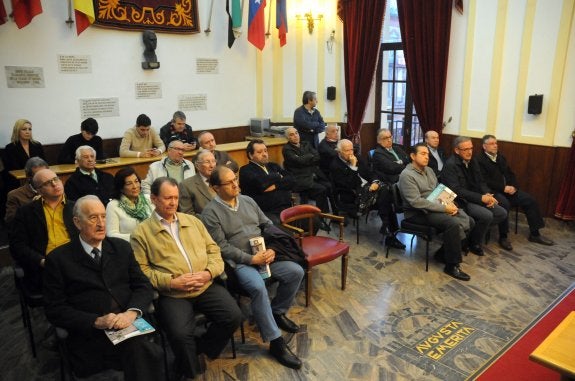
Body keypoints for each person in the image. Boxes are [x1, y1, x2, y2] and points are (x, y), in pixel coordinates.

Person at [43, 195, 164, 381]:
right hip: (90, 333)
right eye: (93, 218)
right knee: (144, 354)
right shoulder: (58, 259)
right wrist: (96, 321)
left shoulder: (121, 248)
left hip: (127, 325)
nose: (101, 224)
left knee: (141, 351)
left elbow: (143, 286)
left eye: (103, 216)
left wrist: (131, 313)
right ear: (77, 222)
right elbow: (55, 309)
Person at [131, 177, 242, 380]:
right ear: (154, 199)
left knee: (234, 316)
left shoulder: (192, 221)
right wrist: (171, 282)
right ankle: (190, 372)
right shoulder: (142, 233)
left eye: (176, 197)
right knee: (180, 335)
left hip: (205, 284)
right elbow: (142, 271)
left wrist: (208, 273)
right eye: (167, 198)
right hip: (173, 293)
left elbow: (214, 251)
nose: (173, 202)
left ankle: (199, 348)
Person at [201, 166, 304, 370]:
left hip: (264, 254)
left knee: (295, 271)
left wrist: (273, 249)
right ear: (215, 188)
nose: (235, 184)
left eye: (235, 179)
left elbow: (267, 224)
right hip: (240, 262)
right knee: (257, 287)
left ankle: (277, 311)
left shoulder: (247, 200)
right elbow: (222, 247)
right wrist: (251, 259)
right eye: (228, 182)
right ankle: (275, 342)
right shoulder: (210, 213)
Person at [398, 143, 473, 281]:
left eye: (427, 154)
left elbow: (438, 190)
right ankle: (452, 265)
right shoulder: (407, 175)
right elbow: (416, 202)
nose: (427, 157)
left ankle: (442, 253)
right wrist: (444, 208)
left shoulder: (430, 170)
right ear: (413, 156)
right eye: (423, 154)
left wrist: (450, 203)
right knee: (453, 224)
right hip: (417, 213)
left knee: (470, 220)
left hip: (434, 207)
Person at [477, 135, 554, 246]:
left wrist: (514, 186)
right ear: (484, 146)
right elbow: (485, 181)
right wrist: (503, 188)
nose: (495, 146)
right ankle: (503, 237)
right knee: (505, 205)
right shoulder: (479, 160)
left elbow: (510, 174)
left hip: (509, 190)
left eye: (496, 143)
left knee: (530, 200)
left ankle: (535, 234)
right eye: (492, 144)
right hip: (494, 191)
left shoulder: (500, 157)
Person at [10, 168, 77, 293]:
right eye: (47, 183)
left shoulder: (76, 207)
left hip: (75, 262)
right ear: (39, 190)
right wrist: (41, 261)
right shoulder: (26, 212)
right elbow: (17, 246)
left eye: (55, 179)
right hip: (45, 265)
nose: (54, 184)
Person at [330, 139, 405, 249]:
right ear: (339, 152)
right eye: (347, 151)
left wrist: (374, 182)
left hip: (368, 191)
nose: (351, 153)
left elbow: (370, 173)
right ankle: (391, 232)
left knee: (385, 194)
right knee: (386, 194)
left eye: (352, 149)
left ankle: (388, 229)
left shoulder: (358, 157)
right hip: (354, 196)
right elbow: (349, 185)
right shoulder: (335, 165)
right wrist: (353, 166)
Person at [442, 136, 510, 254]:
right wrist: (481, 198)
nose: (469, 152)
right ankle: (475, 243)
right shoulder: (450, 165)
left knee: (501, 213)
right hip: (462, 200)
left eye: (471, 148)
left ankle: (470, 237)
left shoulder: (473, 160)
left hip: (476, 196)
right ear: (457, 150)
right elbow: (457, 190)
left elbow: (481, 181)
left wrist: (487, 193)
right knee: (486, 215)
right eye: (465, 149)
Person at [238, 139, 295, 225]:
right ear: (250, 155)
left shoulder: (273, 166)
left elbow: (291, 180)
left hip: (286, 207)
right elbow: (261, 183)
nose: (264, 154)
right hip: (265, 211)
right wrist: (278, 176)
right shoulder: (245, 170)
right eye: (259, 152)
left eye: (265, 151)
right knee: (277, 227)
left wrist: (275, 186)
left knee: (313, 220)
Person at [282, 127, 331, 214]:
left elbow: (317, 157)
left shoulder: (306, 143)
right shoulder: (287, 149)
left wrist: (303, 158)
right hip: (300, 178)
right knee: (322, 189)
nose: (295, 136)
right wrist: (309, 156)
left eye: (296, 133)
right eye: (291, 135)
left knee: (330, 185)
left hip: (312, 174)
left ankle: (327, 214)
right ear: (288, 138)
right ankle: (322, 215)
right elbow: (299, 161)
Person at [106, 167, 153, 241]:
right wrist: (137, 237)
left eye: (136, 181)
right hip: (128, 247)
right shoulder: (113, 206)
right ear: (121, 188)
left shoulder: (148, 199)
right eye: (129, 184)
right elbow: (111, 235)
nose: (135, 186)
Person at [2, 119, 46, 192]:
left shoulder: (37, 145)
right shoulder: (10, 148)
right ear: (17, 131)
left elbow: (43, 163)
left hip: (37, 179)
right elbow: (12, 168)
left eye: (30, 129)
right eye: (24, 129)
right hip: (17, 182)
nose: (27, 132)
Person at [5, 157, 48, 224]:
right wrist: (32, 206)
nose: (43, 178)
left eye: (45, 173)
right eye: (38, 175)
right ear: (28, 177)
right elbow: (11, 222)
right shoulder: (15, 195)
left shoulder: (55, 188)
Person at [178, 150, 217, 215]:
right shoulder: (186, 185)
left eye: (213, 161)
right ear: (197, 165)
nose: (212, 165)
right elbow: (188, 214)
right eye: (207, 162)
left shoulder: (222, 179)